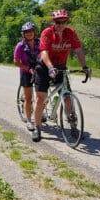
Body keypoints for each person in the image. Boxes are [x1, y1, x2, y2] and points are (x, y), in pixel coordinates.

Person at [32, 9, 91, 142]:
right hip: (44, 66)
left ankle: (73, 126)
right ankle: (37, 128)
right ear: (54, 22)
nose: (61, 24)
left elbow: (78, 50)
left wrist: (85, 66)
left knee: (67, 96)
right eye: (58, 22)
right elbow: (44, 53)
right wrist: (50, 68)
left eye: (64, 22)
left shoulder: (71, 33)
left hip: (61, 67)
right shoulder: (47, 32)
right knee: (40, 98)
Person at [13, 22, 40, 131]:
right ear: (23, 34)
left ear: (34, 32)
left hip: (38, 70)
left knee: (42, 96)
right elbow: (16, 62)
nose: (29, 34)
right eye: (26, 32)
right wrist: (28, 68)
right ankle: (29, 121)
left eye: (31, 31)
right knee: (28, 98)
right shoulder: (20, 46)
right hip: (25, 71)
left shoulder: (40, 43)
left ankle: (40, 111)